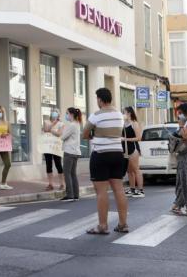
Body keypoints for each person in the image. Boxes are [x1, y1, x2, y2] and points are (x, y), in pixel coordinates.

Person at [83, 88, 129, 235]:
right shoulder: (119, 115)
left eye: (97, 99)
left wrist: (93, 137)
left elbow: (84, 133)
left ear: (100, 100)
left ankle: (103, 226)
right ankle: (123, 224)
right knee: (119, 189)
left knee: (101, 192)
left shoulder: (96, 115)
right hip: (117, 154)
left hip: (101, 154)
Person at [170, 103, 187, 217]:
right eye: (178, 113)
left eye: (181, 113)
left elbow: (186, 136)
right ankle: (178, 204)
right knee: (181, 181)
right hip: (182, 153)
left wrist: (181, 126)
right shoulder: (186, 122)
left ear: (186, 112)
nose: (179, 115)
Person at [55, 107, 82, 202]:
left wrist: (57, 131)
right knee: (73, 173)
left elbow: (62, 137)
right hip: (75, 152)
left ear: (71, 114)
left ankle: (70, 195)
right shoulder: (77, 124)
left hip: (69, 152)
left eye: (67, 113)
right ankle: (76, 195)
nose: (66, 115)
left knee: (67, 173)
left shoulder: (72, 125)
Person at [122, 107, 144, 198]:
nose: (123, 114)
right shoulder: (123, 124)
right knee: (129, 170)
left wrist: (125, 139)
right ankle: (132, 189)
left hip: (133, 148)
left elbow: (139, 138)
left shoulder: (134, 123)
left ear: (129, 113)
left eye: (124, 112)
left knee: (136, 169)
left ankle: (141, 190)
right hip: (125, 149)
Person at [42, 107, 64, 191]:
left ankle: (62, 184)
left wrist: (50, 130)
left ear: (59, 114)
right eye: (53, 112)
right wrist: (53, 124)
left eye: (56, 112)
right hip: (47, 146)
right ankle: (50, 184)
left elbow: (59, 134)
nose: (54, 113)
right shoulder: (46, 121)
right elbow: (45, 129)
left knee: (58, 164)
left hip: (56, 147)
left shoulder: (61, 124)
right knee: (48, 165)